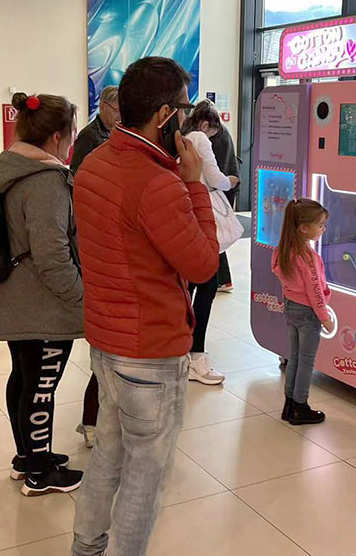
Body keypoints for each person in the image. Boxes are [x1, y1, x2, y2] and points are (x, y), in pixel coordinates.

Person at [72, 57, 219, 556]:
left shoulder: (95, 162)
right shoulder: (159, 183)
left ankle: (86, 548)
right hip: (149, 352)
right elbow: (202, 266)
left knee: (108, 458)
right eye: (182, 108)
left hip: (106, 340)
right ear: (163, 115)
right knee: (145, 477)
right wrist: (195, 185)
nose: (188, 119)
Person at [0, 92, 84, 497]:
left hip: (14, 295)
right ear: (57, 136)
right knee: (41, 387)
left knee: (24, 378)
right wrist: (81, 298)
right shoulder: (46, 182)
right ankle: (39, 472)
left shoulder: (10, 170)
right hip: (44, 306)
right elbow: (52, 254)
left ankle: (28, 456)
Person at [67, 92, 119, 449]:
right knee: (104, 358)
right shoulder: (91, 140)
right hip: (98, 257)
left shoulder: (111, 138)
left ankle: (100, 421)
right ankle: (91, 422)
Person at [181, 100, 239, 386]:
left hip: (184, 217)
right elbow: (215, 177)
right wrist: (231, 181)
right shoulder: (200, 138)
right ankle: (197, 356)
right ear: (206, 124)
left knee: (189, 287)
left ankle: (185, 351)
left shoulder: (179, 137)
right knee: (206, 287)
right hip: (202, 217)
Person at [272, 198, 332, 425]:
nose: (323, 229)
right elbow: (314, 289)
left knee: (295, 357)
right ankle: (300, 406)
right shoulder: (307, 257)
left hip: (291, 307)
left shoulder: (283, 250)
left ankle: (289, 404)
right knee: (307, 360)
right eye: (320, 224)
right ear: (303, 228)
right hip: (307, 313)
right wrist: (324, 317)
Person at [210, 121, 240, 292]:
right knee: (217, 232)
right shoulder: (223, 132)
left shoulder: (209, 138)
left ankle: (222, 280)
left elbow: (214, 175)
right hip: (226, 187)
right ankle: (223, 280)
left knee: (215, 234)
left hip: (220, 188)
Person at [70, 85, 118, 174]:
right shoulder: (88, 135)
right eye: (116, 110)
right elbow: (75, 172)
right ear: (102, 106)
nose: (120, 116)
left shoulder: (117, 133)